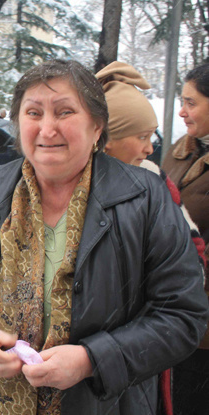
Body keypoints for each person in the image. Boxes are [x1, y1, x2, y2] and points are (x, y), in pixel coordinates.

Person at [0, 59, 209, 415]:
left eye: (64, 112)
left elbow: (182, 314)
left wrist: (91, 360)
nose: (47, 129)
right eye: (33, 112)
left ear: (98, 126)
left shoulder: (144, 199)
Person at [96, 61, 207, 415]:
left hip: (159, 328)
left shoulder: (153, 181)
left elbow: (191, 249)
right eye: (142, 137)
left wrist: (171, 286)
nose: (149, 147)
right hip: (111, 339)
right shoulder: (77, 185)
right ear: (107, 140)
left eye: (191, 102)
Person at [162, 63, 209, 415]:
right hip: (174, 312)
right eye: (181, 101)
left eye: (191, 103)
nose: (182, 111)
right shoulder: (181, 150)